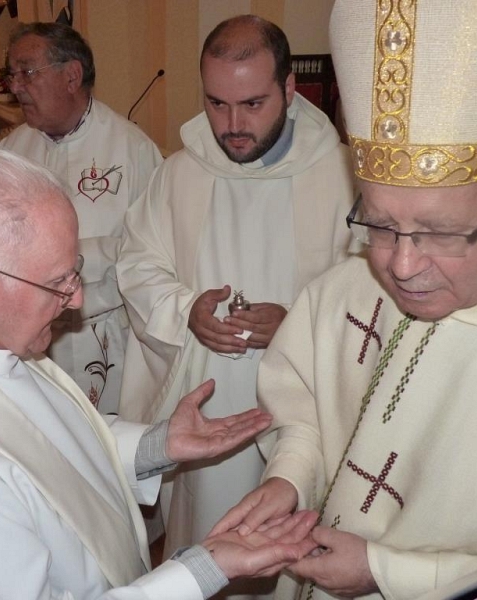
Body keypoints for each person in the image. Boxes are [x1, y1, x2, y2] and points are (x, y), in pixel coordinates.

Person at [0, 145, 321, 599]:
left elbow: (45, 449)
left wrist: (155, 445)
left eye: (75, 275)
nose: (76, 300)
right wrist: (204, 569)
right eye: (58, 283)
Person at [211, 2, 477, 599]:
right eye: (379, 226)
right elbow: (304, 410)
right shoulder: (346, 287)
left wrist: (389, 572)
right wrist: (289, 480)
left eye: (437, 231)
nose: (401, 266)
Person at [116, 14, 355, 598]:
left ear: (290, 90)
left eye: (252, 104)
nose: (232, 125)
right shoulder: (180, 173)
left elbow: (372, 294)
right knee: (211, 533)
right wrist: (185, 311)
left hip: (305, 406)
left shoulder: (344, 176)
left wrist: (298, 325)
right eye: (217, 104)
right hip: (211, 399)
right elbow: (138, 263)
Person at [0, 22, 162, 415]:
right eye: (12, 74)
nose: (15, 86)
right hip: (29, 341)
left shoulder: (133, 150)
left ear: (71, 75)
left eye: (27, 72)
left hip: (106, 335)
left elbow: (155, 251)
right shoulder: (9, 153)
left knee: (109, 452)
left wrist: (70, 269)